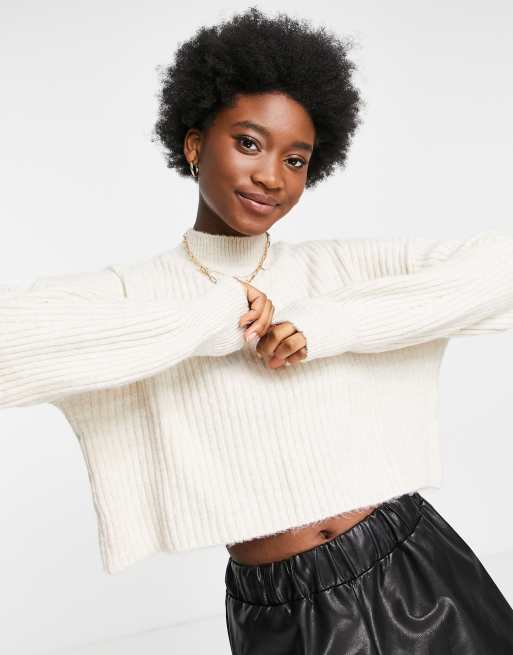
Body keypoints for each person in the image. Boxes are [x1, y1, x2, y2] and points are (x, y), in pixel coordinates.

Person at [2, 6, 513, 653]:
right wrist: (212, 316)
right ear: (195, 145)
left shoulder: (334, 268)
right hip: (283, 608)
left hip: (416, 567)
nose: (272, 176)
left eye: (295, 159)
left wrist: (334, 321)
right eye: (248, 143)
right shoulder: (138, 292)